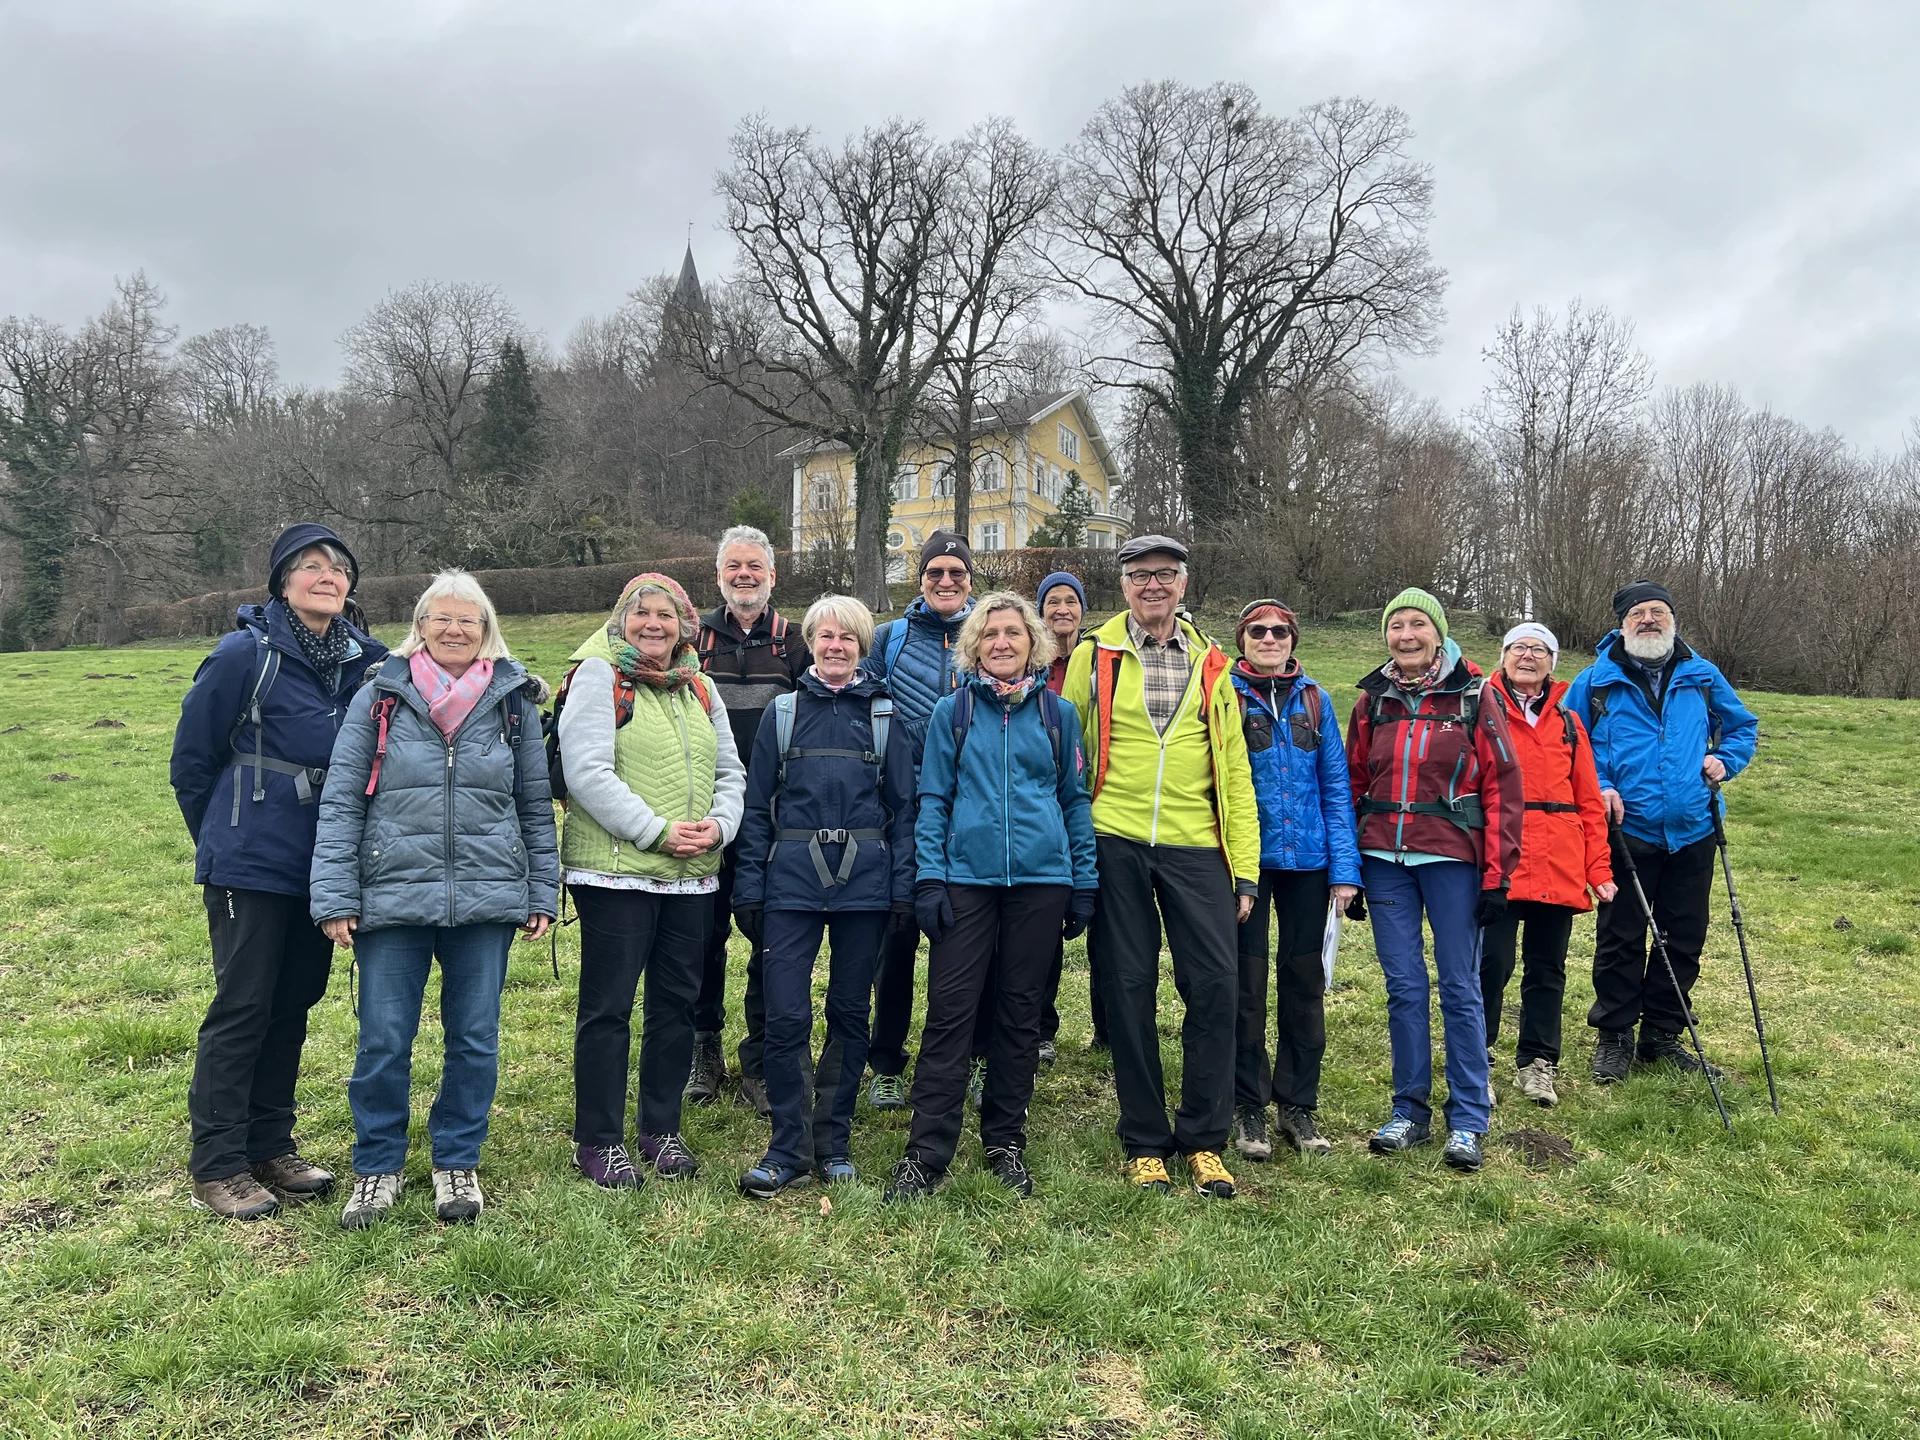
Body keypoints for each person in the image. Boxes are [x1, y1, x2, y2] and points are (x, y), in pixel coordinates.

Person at [310, 570, 558, 1228]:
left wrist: (541, 888)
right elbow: (340, 803)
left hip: (486, 896)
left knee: (474, 1038)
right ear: (419, 626)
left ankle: (456, 1159)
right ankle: (378, 1166)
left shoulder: (513, 703)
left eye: (467, 621)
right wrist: (335, 894)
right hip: (390, 895)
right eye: (440, 619)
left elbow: (535, 805)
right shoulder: (379, 697)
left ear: (486, 631)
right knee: (384, 1040)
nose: (453, 630)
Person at [169, 523, 389, 1220]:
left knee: (293, 1002)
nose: (327, 576)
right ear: (282, 581)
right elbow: (192, 762)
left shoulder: (366, 659)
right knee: (243, 1006)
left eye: (338, 568)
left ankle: (271, 1144)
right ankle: (219, 1162)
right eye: (311, 566)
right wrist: (225, 839)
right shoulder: (245, 653)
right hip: (250, 860)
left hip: (325, 863)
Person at [1061, 535, 1260, 1199]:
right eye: (1140, 575)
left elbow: (1233, 767)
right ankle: (1144, 1138)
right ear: (1123, 585)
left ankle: (1205, 1139)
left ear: (1182, 582)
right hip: (1114, 836)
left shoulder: (1212, 663)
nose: (1153, 585)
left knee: (1214, 988)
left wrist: (1246, 869)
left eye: (1165, 575)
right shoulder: (1094, 655)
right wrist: (1073, 849)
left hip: (1196, 843)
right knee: (1128, 986)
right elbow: (1067, 753)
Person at [886, 593, 1098, 1201]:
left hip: (1042, 883)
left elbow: (1073, 800)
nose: (1001, 643)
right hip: (965, 882)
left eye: (1013, 632)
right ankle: (926, 1152)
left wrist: (1083, 881)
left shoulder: (1059, 715)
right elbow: (933, 801)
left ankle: (1006, 1139)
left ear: (1034, 643)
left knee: (1020, 1014)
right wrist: (930, 877)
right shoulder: (952, 713)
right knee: (951, 1015)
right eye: (990, 634)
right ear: (973, 645)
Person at [558, 574, 746, 1189]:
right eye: (641, 614)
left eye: (666, 615)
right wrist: (654, 830)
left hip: (692, 874)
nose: (654, 625)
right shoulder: (598, 676)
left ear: (686, 625)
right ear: (621, 621)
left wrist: (720, 825)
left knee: (676, 1005)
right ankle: (600, 1140)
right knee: (608, 1009)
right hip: (617, 872)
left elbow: (730, 769)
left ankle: (660, 1129)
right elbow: (585, 770)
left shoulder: (701, 686)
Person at [733, 595, 916, 1197]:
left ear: (863, 647)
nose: (835, 646)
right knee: (785, 1014)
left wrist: (901, 890)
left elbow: (904, 813)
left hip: (865, 885)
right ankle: (787, 1146)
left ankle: (832, 1141)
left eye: (848, 638)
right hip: (790, 883)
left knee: (847, 1012)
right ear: (809, 643)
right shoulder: (782, 716)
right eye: (824, 636)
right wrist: (751, 888)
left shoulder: (888, 718)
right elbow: (756, 809)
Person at [1346, 588, 1522, 1173]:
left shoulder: (1475, 695)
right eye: (1396, 625)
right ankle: (1409, 1112)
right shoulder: (1372, 702)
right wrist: (1349, 867)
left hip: (1453, 861)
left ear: (1438, 632)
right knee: (1404, 988)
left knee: (1461, 988)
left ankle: (1469, 1119)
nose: (1406, 635)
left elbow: (1503, 786)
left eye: (1417, 624)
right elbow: (1351, 783)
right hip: (1383, 862)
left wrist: (1497, 878)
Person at [1564, 582, 1758, 1085]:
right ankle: (1615, 1034)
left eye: (1658, 611)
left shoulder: (1702, 675)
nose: (1648, 620)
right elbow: (1568, 743)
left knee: (1684, 934)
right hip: (1627, 829)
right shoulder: (1595, 682)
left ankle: (1662, 1034)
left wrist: (1725, 760)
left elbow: (1742, 727)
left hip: (1694, 827)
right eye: (1638, 613)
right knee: (1622, 935)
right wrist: (1600, 786)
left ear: (1672, 618)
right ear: (1622, 624)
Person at [1227, 600, 1362, 1162]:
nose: (1269, 638)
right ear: (1243, 639)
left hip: (1308, 862)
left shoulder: (1316, 699)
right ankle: (1248, 1102)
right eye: (1258, 631)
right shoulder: (1227, 695)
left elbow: (1335, 784)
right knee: (1246, 984)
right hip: (1249, 864)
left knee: (1304, 983)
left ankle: (1298, 1103)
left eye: (1279, 631)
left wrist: (1345, 870)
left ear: (1292, 639)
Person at [685, 527, 810, 1117]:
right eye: (733, 566)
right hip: (704, 816)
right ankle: (701, 1049)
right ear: (718, 577)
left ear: (772, 575)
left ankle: (762, 1057)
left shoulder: (794, 643)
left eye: (754, 566)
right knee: (701, 940)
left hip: (772, 822)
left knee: (772, 941)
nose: (744, 575)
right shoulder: (693, 639)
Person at [859, 531, 975, 1109]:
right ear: (921, 579)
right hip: (902, 811)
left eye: (956, 572)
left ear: (970, 580)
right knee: (897, 938)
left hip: (975, 810)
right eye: (936, 573)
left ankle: (972, 1057)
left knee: (975, 942)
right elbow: (865, 706)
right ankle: (885, 1061)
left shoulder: (989, 633)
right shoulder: (890, 638)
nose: (946, 582)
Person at [1479, 623, 1616, 1107]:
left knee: (1547, 967)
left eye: (1540, 650)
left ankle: (1539, 1062)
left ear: (1553, 663)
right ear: (1504, 656)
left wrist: (1599, 869)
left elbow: (1588, 802)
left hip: (1558, 861)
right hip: (1498, 857)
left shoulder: (1570, 724)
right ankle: (1479, 1058)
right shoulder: (1481, 709)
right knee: (1490, 964)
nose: (1529, 656)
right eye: (1519, 647)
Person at [1034, 569, 1103, 1060]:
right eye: (1053, 601)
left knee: (1105, 924)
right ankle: (1041, 1026)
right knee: (1044, 925)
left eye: (1070, 601)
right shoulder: (1031, 663)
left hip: (1092, 799)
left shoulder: (1098, 660)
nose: (1062, 609)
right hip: (1042, 801)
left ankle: (1107, 1023)